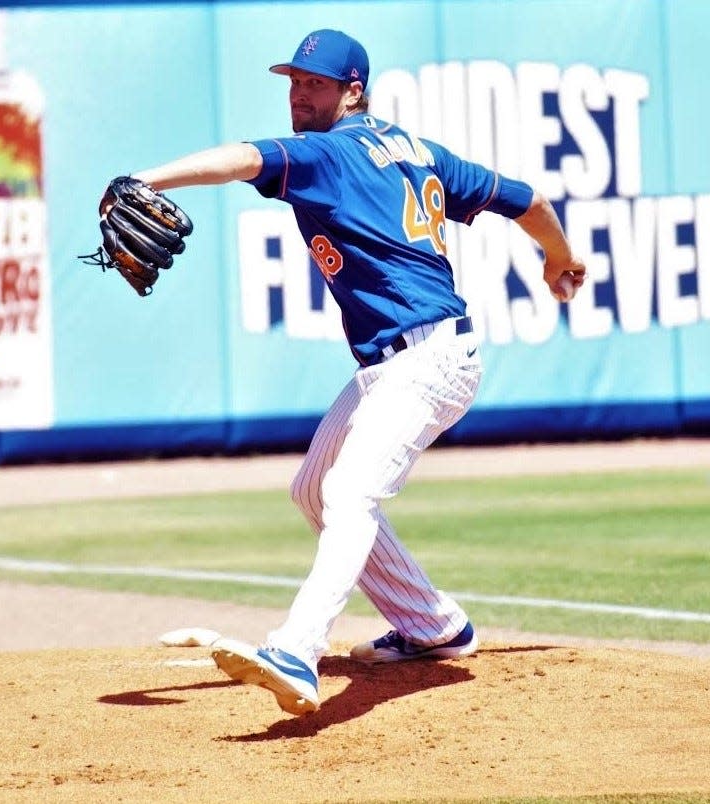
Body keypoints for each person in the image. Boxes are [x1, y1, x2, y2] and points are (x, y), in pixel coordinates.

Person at [133, 29, 586, 716]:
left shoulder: (329, 153)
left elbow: (239, 160)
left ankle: (297, 651)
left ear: (353, 91)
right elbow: (528, 204)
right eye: (293, 80)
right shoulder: (417, 151)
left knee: (349, 494)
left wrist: (146, 179)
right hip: (400, 362)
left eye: (313, 83)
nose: (298, 93)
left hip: (429, 357)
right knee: (314, 490)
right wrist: (557, 256)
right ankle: (436, 627)